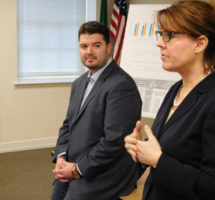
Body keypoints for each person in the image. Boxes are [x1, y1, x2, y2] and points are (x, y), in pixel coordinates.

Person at [124, 1, 215, 199]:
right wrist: (141, 150)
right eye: (161, 34)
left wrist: (158, 160)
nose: (159, 42)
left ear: (200, 43)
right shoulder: (177, 89)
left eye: (169, 35)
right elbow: (174, 150)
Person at [51, 21, 142, 200]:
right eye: (84, 46)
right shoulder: (79, 83)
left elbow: (114, 142)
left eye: (96, 45)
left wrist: (77, 169)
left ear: (108, 48)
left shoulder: (121, 85)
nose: (89, 51)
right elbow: (68, 125)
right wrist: (61, 156)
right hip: (74, 164)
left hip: (105, 173)